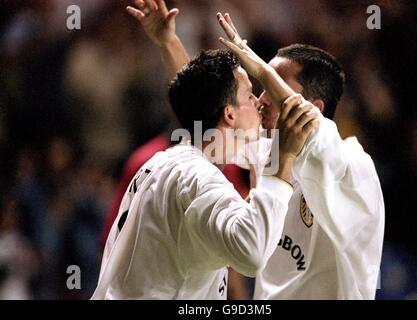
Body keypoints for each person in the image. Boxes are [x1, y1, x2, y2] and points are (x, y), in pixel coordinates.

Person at [128, 0, 385, 299]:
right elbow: (209, 110)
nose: (260, 99)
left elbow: (314, 130)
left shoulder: (352, 167)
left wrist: (260, 67)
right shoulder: (269, 151)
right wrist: (168, 42)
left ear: (313, 107)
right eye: (260, 87)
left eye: (272, 85)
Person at [91, 33, 320, 298]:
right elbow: (252, 253)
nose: (258, 102)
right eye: (249, 96)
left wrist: (169, 41)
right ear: (229, 113)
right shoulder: (196, 177)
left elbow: (199, 95)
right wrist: (285, 154)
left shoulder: (168, 161)